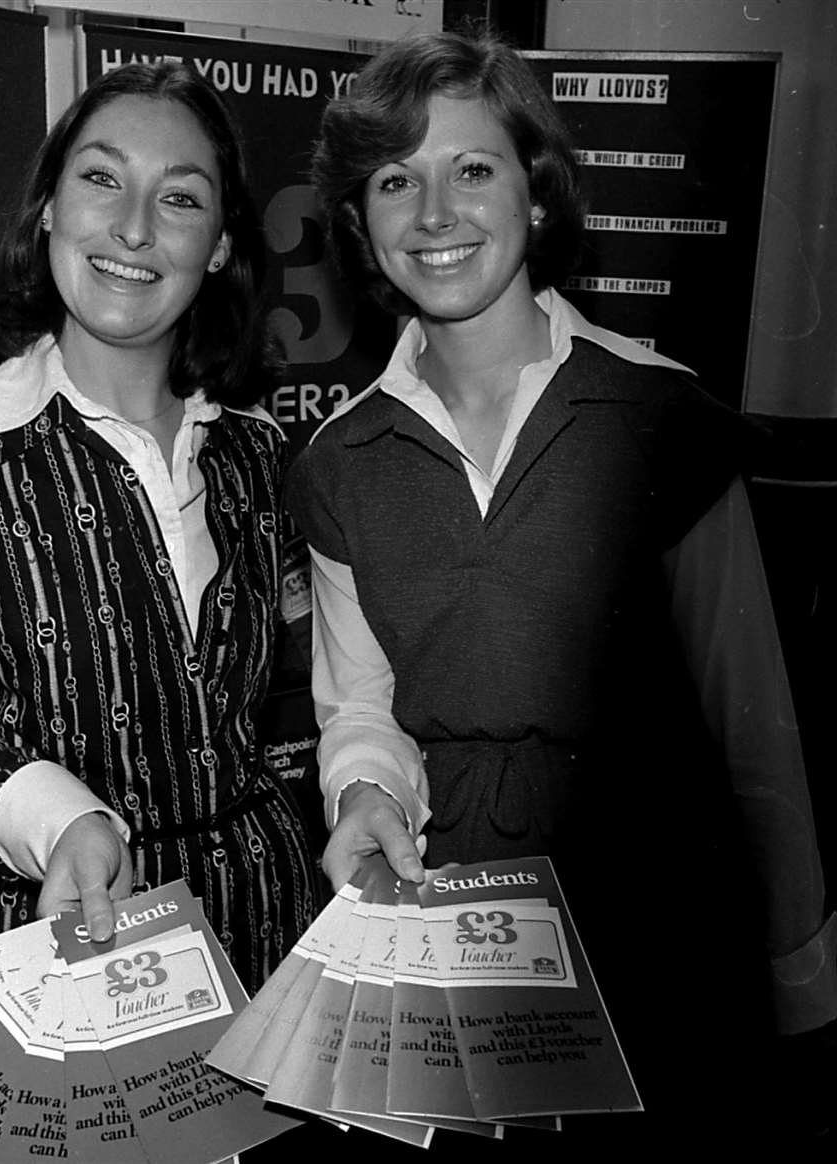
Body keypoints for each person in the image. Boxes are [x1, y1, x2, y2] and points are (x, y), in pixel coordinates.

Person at [288, 28, 836, 1150]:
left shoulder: (661, 418)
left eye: (472, 169)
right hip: (449, 924)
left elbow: (754, 725)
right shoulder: (337, 463)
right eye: (396, 180)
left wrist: (801, 975)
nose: (434, 211)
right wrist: (364, 798)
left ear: (536, 199)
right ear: (358, 224)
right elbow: (359, 702)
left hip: (655, 911)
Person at [0, 62, 319, 993]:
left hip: (269, 925)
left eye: (181, 198)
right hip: (73, 938)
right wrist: (64, 821)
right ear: (48, 210)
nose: (135, 228)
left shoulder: (256, 452)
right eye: (103, 178)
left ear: (224, 245)